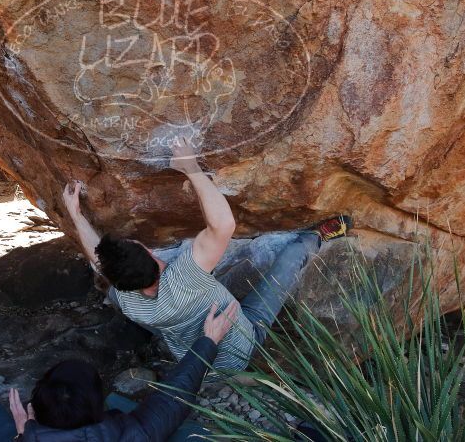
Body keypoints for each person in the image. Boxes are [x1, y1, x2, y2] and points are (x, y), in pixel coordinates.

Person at [62, 137, 352, 372]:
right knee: (287, 264)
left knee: (168, 323)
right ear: (150, 252)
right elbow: (223, 225)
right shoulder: (185, 279)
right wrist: (191, 168)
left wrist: (76, 215)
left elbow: (101, 263)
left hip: (198, 360)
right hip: (242, 346)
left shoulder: (127, 299)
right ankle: (316, 236)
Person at [9, 300, 239, 441]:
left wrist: (26, 435)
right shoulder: (130, 436)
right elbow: (173, 399)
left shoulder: (31, 435)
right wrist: (209, 340)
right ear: (98, 407)